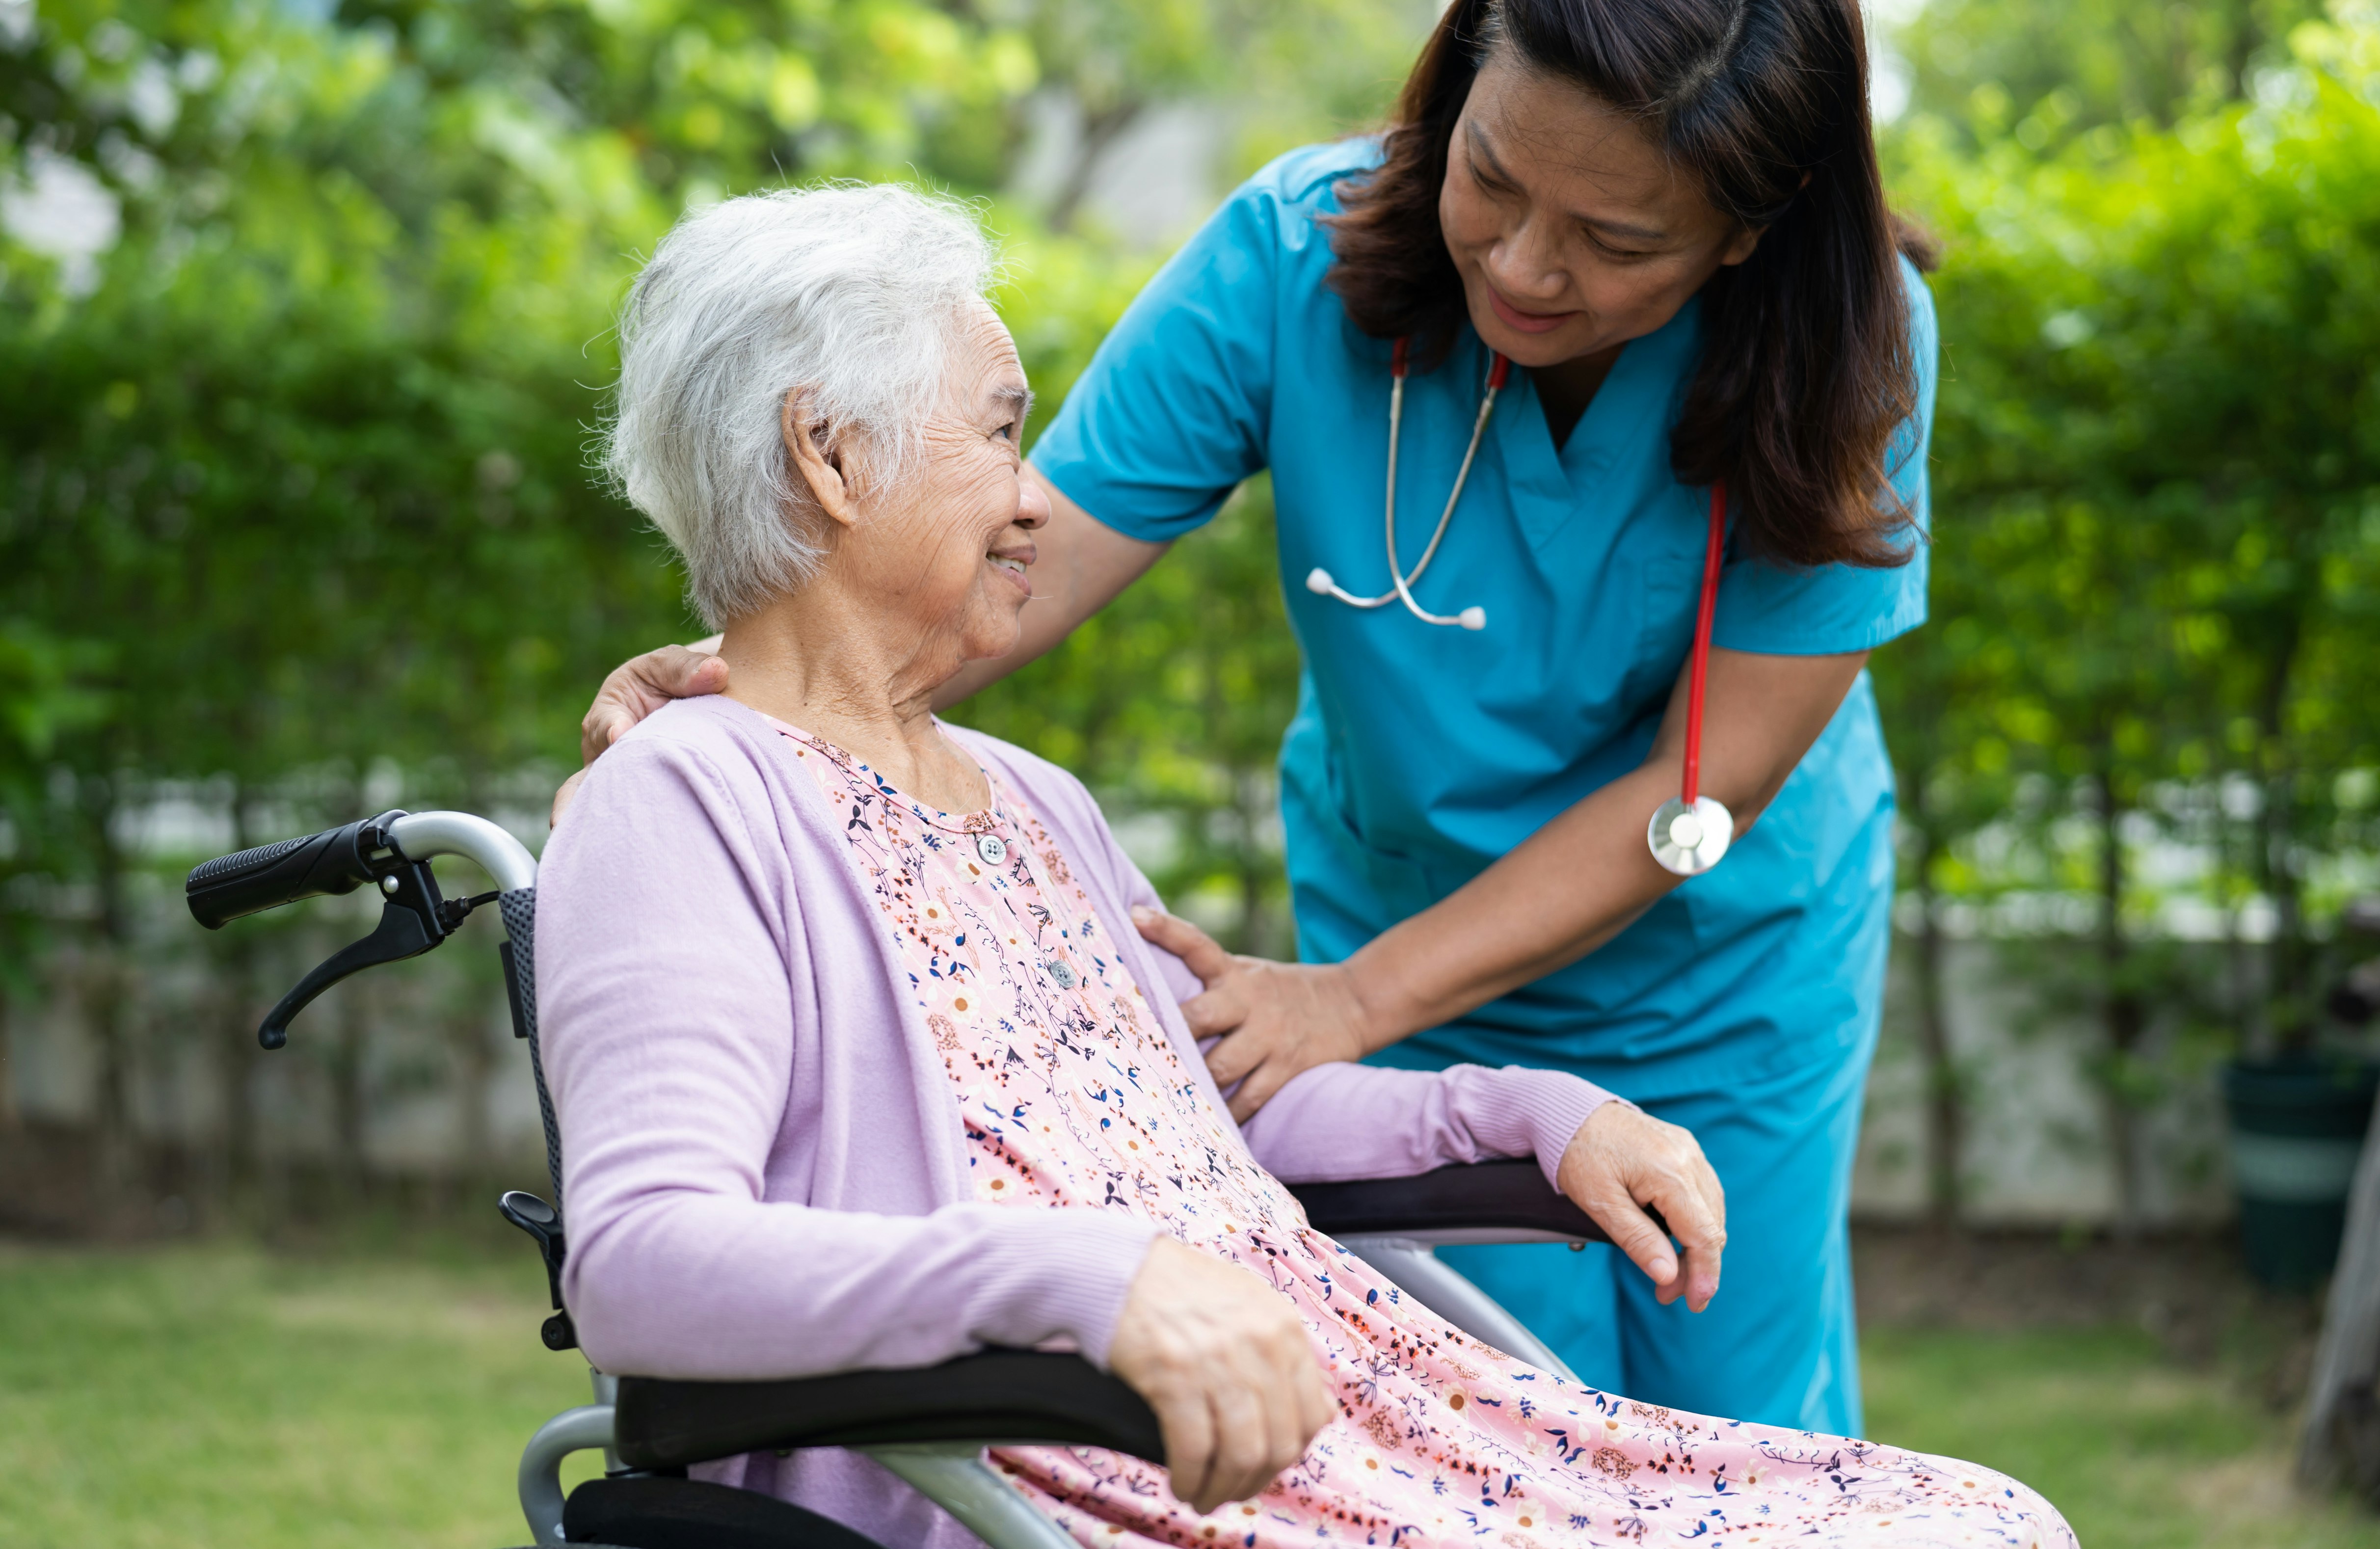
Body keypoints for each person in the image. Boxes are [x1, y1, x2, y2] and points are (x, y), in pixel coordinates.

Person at [542, 180, 2070, 1549]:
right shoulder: (688, 802)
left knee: (1976, 1520)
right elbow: (643, 1263)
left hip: (1388, 1430)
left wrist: (1539, 1112)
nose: (1033, 494)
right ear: (827, 452)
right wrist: (1092, 1279)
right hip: (1141, 1477)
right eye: (1004, 430)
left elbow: (1212, 1111)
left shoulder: (1023, 801)